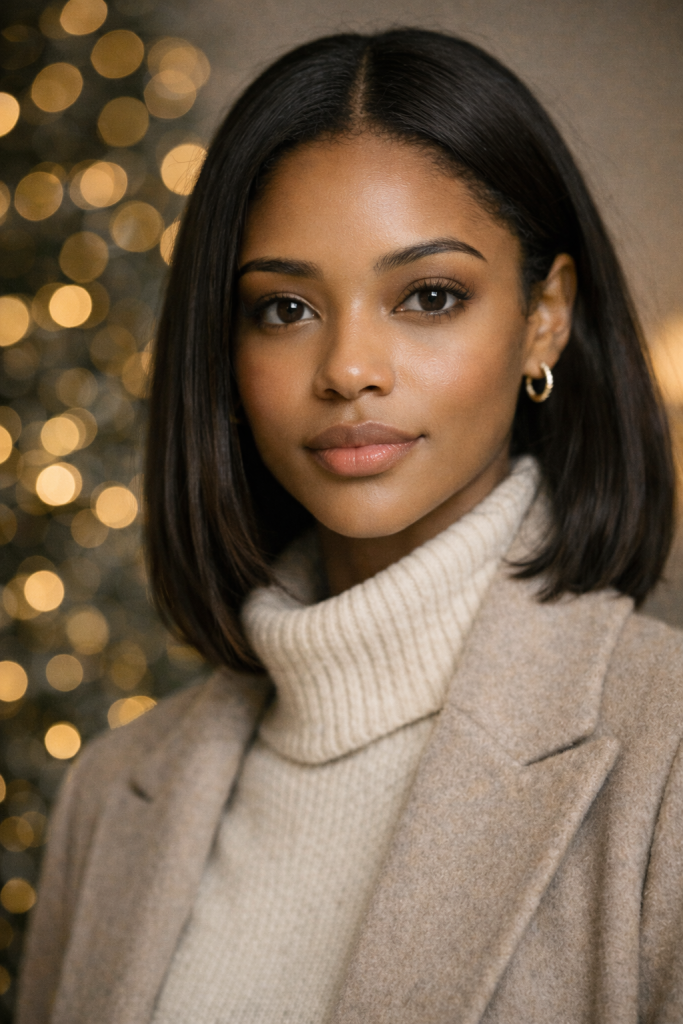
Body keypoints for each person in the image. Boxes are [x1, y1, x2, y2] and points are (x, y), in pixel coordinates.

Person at [17, 28, 683, 1024]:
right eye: (284, 308)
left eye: (427, 296)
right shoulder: (110, 794)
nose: (348, 369)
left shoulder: (663, 750)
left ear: (544, 315)